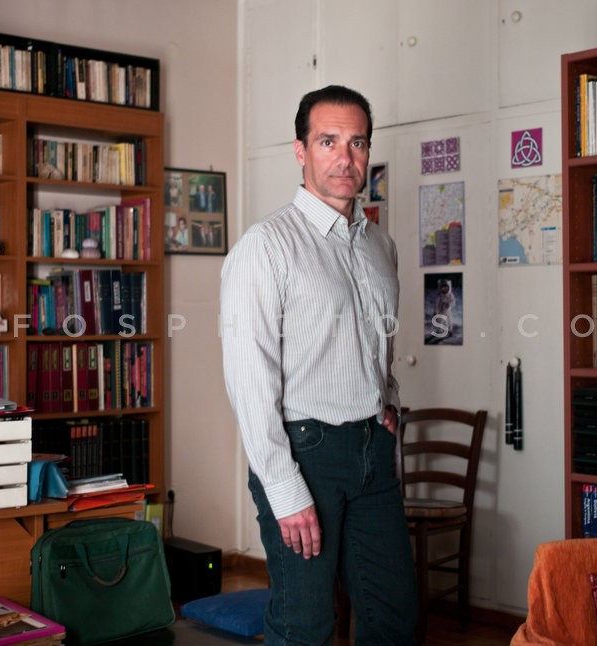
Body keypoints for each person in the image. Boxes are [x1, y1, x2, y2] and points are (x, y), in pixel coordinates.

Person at [220, 85, 417, 645]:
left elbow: (375, 342)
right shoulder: (266, 246)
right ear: (300, 150)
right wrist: (285, 489)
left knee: (394, 618)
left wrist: (388, 403)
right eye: (328, 141)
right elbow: (250, 378)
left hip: (373, 450)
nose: (345, 157)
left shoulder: (381, 247)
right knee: (304, 626)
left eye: (358, 143)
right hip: (305, 452)